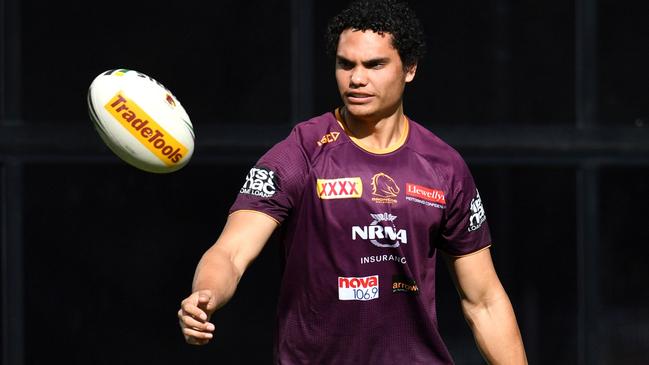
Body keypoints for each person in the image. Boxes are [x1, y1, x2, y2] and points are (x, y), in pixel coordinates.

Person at [178, 0, 528, 363]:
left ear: (409, 69)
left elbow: (484, 301)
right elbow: (231, 251)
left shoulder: (444, 168)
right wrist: (205, 294)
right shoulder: (300, 152)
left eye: (374, 65)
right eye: (346, 64)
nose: (356, 78)